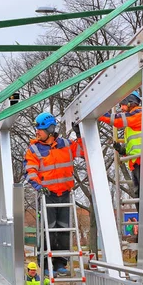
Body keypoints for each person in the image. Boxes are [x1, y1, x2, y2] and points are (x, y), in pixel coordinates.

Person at [25, 112, 84, 276]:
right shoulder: (34, 149)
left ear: (50, 130)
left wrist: (79, 134)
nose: (37, 132)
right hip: (47, 195)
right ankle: (45, 263)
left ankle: (60, 263)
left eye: (40, 129)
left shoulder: (65, 144)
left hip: (64, 194)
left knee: (64, 229)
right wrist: (38, 185)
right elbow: (30, 170)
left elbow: (83, 151)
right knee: (47, 229)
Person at [99, 91, 142, 200]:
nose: (121, 108)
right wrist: (122, 150)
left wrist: (99, 113)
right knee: (139, 195)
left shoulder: (139, 114)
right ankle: (141, 217)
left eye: (122, 104)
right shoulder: (134, 120)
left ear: (129, 102)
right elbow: (134, 145)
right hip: (137, 162)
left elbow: (117, 120)